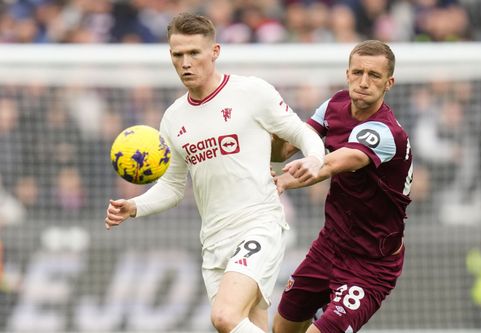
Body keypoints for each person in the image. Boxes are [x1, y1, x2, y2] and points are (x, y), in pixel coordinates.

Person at [104, 12, 325, 333]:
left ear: (215, 52)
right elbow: (172, 187)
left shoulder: (252, 92)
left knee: (224, 316)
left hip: (258, 224)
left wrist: (315, 159)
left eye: (194, 52)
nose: (186, 62)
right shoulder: (173, 118)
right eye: (178, 55)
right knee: (249, 325)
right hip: (214, 242)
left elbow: (302, 133)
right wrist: (134, 206)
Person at [271, 40, 413, 333]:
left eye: (374, 75)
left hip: (370, 264)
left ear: (389, 82)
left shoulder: (386, 132)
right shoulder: (333, 105)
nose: (363, 82)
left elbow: (333, 163)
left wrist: (284, 180)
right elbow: (284, 150)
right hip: (329, 246)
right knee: (282, 328)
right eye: (357, 72)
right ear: (347, 74)